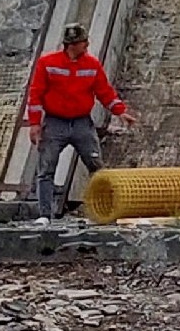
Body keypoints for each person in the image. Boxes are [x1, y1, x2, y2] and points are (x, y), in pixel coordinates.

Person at [24, 23, 136, 221]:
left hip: (82, 123)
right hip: (55, 123)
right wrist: (34, 124)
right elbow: (36, 94)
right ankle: (44, 215)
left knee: (97, 167)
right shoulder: (48, 63)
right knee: (46, 168)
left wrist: (120, 111)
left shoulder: (92, 65)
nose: (87, 45)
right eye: (83, 42)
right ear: (72, 45)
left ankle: (106, 210)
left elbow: (104, 91)